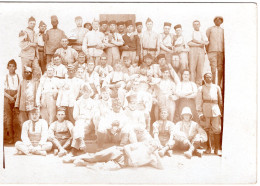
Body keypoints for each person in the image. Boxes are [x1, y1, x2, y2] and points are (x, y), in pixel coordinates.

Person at [63, 139, 163, 170]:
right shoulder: (141, 146)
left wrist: (157, 154)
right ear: (148, 144)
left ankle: (83, 163)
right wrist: (132, 157)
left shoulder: (151, 158)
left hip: (123, 163)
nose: (151, 147)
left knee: (106, 168)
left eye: (154, 147)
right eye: (151, 145)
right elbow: (126, 147)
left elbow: (161, 167)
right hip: (120, 152)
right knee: (95, 157)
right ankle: (72, 158)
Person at [196, 71, 223, 156]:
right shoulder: (201, 88)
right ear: (204, 79)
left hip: (215, 109)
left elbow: (220, 101)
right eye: (206, 77)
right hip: (205, 109)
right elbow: (198, 101)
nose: (208, 78)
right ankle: (208, 148)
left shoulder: (216, 87)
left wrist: (220, 111)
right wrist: (200, 113)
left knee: (217, 129)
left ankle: (217, 149)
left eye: (210, 77)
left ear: (212, 78)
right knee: (206, 128)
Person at [71, 84, 95, 154]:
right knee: (78, 126)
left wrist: (84, 118)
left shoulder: (93, 102)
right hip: (80, 121)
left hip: (88, 122)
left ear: (90, 92)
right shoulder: (78, 102)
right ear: (81, 92)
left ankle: (74, 148)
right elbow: (75, 116)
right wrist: (81, 118)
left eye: (87, 91)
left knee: (75, 128)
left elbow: (92, 115)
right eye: (84, 91)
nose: (86, 93)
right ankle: (81, 143)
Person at [188, 20, 209, 86]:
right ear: (193, 25)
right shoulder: (191, 32)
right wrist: (199, 44)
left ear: (200, 25)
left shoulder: (202, 33)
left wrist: (196, 41)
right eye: (195, 24)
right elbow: (189, 43)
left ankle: (198, 84)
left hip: (201, 51)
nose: (196, 26)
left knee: (200, 68)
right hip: (193, 51)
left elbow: (206, 42)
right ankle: (192, 84)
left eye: (197, 24)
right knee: (192, 68)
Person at [4, 59, 20, 144]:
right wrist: (9, 96)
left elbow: (20, 88)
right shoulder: (5, 76)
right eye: (10, 66)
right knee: (9, 118)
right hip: (7, 96)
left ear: (15, 67)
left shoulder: (18, 76)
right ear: (7, 67)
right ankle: (10, 138)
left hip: (15, 96)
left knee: (16, 118)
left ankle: (17, 138)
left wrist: (15, 96)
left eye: (13, 66)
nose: (11, 68)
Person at [206, 16, 224, 86]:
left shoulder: (223, 30)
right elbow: (206, 41)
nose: (218, 21)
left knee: (220, 69)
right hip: (212, 51)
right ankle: (212, 84)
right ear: (214, 21)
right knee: (213, 69)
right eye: (216, 20)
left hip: (221, 52)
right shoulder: (210, 29)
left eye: (220, 20)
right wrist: (207, 51)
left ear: (221, 22)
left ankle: (219, 85)